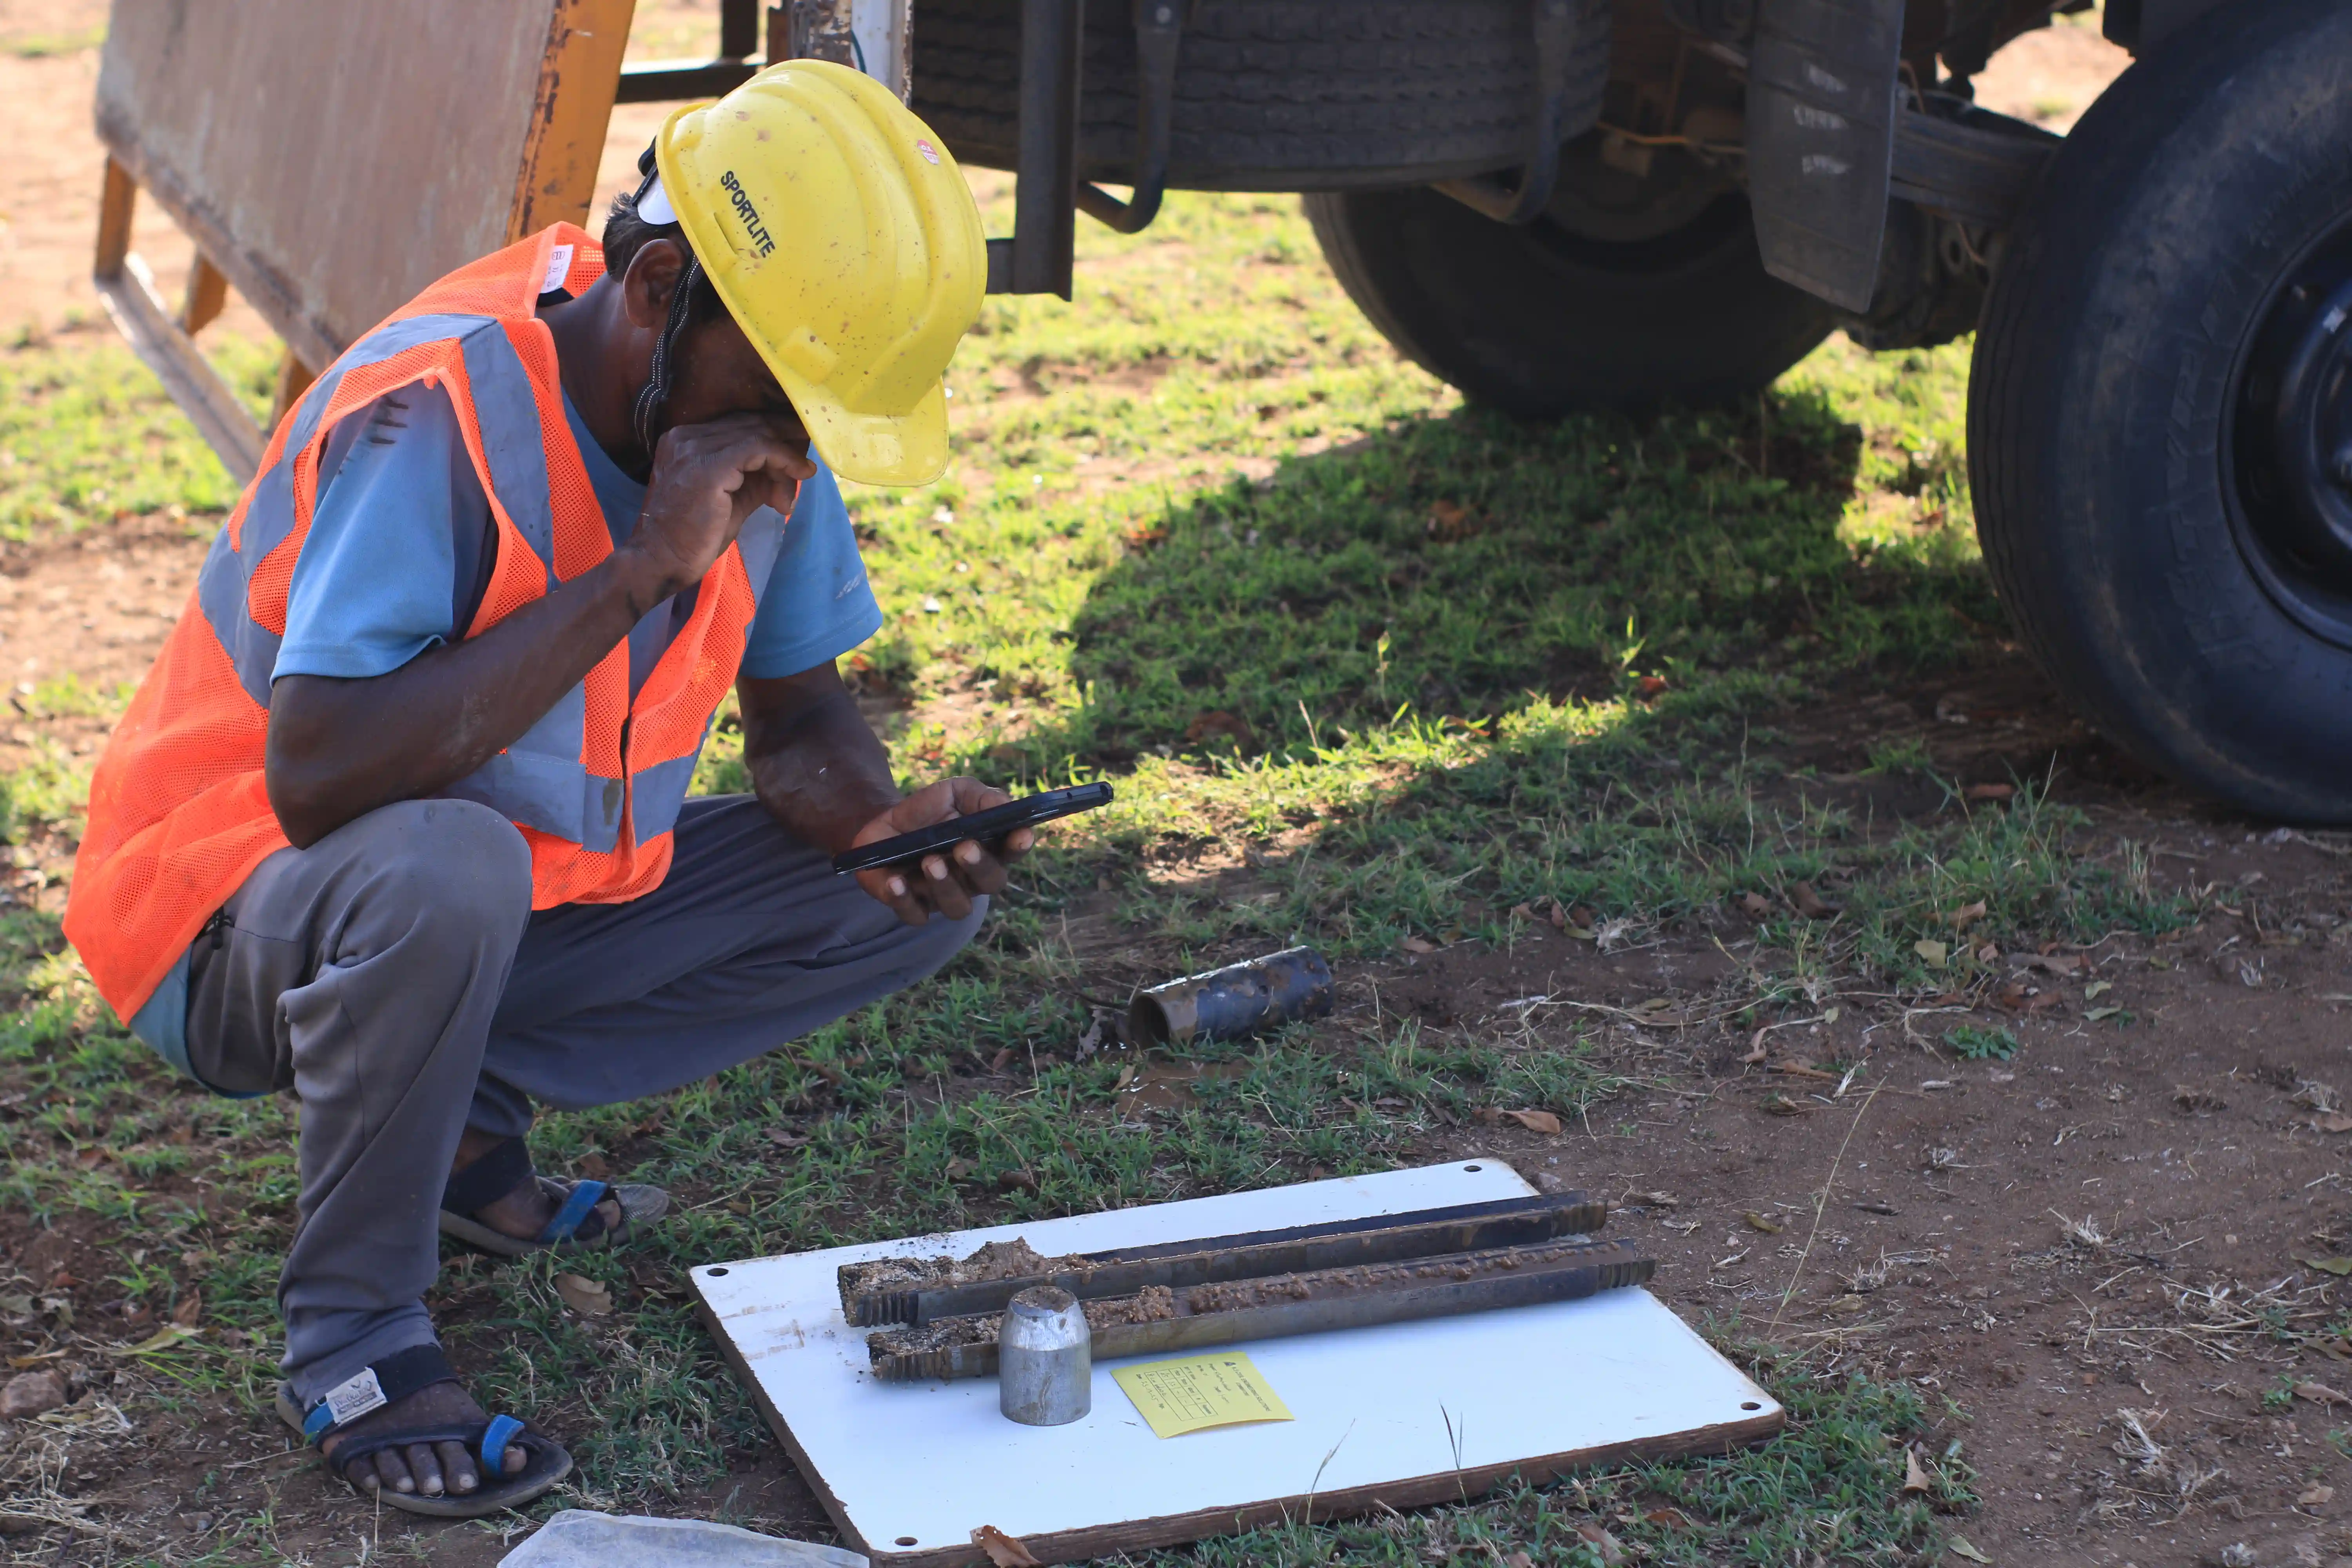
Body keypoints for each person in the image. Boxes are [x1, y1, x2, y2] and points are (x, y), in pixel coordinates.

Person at [64, 61, 1017, 1517]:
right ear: (656, 290)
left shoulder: (753, 415)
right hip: (224, 916)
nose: (800, 446)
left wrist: (873, 825)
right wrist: (640, 569)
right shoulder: (435, 416)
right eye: (787, 395)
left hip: (480, 905)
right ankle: (357, 1338)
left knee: (885, 901)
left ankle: (460, 1128)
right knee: (450, 869)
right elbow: (319, 781)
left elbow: (804, 719)